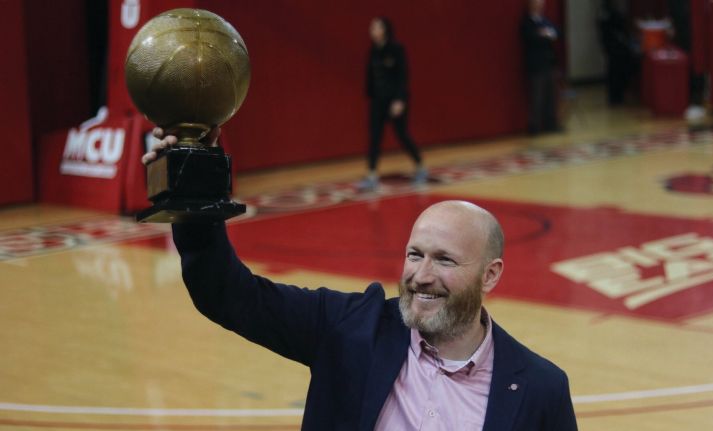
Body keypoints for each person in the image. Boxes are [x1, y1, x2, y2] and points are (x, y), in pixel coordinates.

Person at [143, 129, 577, 430]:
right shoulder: (348, 328)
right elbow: (226, 293)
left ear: (490, 274)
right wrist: (192, 180)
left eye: (444, 260)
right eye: (414, 255)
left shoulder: (540, 389)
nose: (422, 276)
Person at [361, 17, 427, 191]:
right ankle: (371, 175)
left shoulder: (396, 49)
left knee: (402, 134)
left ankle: (420, 166)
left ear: (385, 30)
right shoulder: (373, 51)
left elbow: (402, 76)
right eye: (372, 28)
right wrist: (371, 95)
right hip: (378, 101)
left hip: (394, 101)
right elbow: (370, 77)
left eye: (377, 27)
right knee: (375, 137)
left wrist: (399, 100)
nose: (373, 31)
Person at [521, 0, 561, 134]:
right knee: (537, 97)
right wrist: (543, 35)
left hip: (549, 63)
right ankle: (535, 126)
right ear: (531, 5)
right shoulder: (527, 22)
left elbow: (556, 32)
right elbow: (531, 38)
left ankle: (551, 124)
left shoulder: (545, 21)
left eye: (541, 4)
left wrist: (545, 34)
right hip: (536, 65)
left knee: (551, 96)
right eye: (537, 4)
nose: (539, 7)